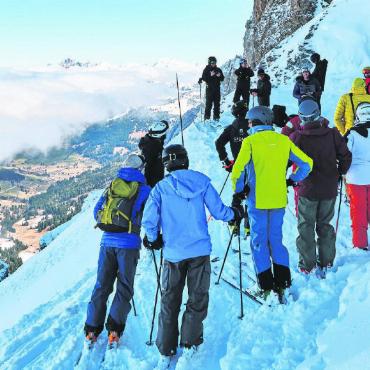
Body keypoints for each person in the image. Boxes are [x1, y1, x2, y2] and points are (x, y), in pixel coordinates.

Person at [142, 144, 242, 366]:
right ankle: (190, 341)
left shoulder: (160, 188)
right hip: (199, 251)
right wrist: (235, 213)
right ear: (185, 160)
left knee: (170, 300)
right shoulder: (202, 182)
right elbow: (219, 212)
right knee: (197, 299)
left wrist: (154, 238)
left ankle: (166, 346)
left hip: (173, 254)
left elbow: (149, 220)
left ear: (167, 163)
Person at [231, 106, 313, 302]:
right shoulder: (283, 140)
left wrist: (239, 191)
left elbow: (237, 170)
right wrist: (292, 179)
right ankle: (283, 282)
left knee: (259, 241)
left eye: (250, 122)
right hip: (278, 199)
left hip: (257, 200)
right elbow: (307, 163)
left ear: (255, 122)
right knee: (276, 239)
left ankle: (265, 285)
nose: (249, 125)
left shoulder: (250, 142)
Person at [84, 154, 151, 347]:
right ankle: (114, 329)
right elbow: (148, 216)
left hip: (106, 243)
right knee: (124, 286)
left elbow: (96, 210)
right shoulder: (144, 189)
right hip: (128, 245)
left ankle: (91, 329)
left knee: (102, 285)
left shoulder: (112, 185)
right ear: (141, 169)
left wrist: (109, 224)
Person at [290, 100, 352, 276]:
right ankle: (327, 262)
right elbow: (346, 156)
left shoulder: (297, 137)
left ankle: (307, 265)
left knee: (305, 226)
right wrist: (340, 173)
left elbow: (285, 160)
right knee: (325, 225)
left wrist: (291, 179)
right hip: (329, 188)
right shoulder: (332, 134)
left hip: (307, 189)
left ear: (301, 117)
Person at [215, 100, 251, 235]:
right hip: (253, 166)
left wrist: (225, 161)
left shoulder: (231, 128)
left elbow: (219, 143)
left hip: (237, 166)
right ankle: (249, 226)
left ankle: (234, 223)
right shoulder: (251, 127)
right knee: (252, 194)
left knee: (238, 194)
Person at [344, 103, 370, 250]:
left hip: (356, 178)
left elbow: (343, 154)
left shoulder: (352, 133)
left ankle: (360, 245)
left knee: (358, 212)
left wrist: (341, 170)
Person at [139, 120, 169, 187]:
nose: (165, 135)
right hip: (153, 181)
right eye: (164, 134)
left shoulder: (151, 141)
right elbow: (148, 166)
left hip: (154, 178)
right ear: (159, 136)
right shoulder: (152, 148)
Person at [198, 56, 224, 121]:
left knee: (217, 105)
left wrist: (220, 76)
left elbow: (222, 78)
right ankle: (207, 119)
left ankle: (216, 118)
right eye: (212, 62)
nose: (214, 64)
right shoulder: (206, 69)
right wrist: (210, 75)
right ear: (209, 62)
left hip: (217, 89)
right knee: (208, 104)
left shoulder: (218, 69)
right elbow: (204, 78)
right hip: (209, 89)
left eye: (215, 62)